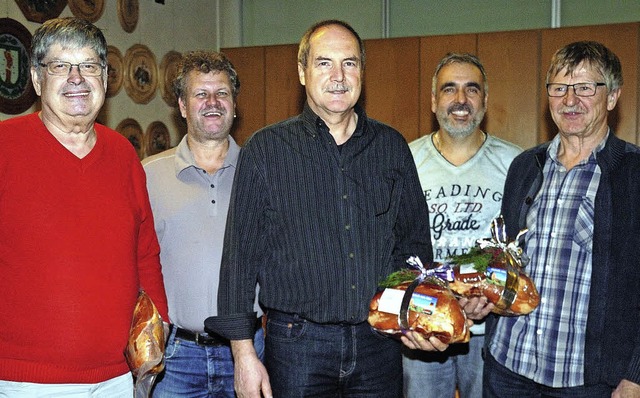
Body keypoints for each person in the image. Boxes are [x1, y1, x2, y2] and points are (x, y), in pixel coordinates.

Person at [205, 19, 444, 398]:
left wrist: (418, 311)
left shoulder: (391, 147)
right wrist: (243, 355)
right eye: (323, 63)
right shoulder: (266, 150)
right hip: (297, 348)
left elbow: (413, 245)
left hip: (379, 343)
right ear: (302, 72)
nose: (338, 76)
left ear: (362, 72)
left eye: (349, 63)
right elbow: (240, 258)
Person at [0, 17, 168, 397]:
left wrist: (158, 327)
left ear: (105, 79)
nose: (77, 78)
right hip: (26, 381)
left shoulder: (124, 154)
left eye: (89, 65)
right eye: (60, 66)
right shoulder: (5, 148)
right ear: (37, 79)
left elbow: (145, 252)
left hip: (117, 378)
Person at [483, 41, 640, 397]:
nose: (570, 100)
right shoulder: (525, 166)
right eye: (559, 88)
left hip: (586, 382)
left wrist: (636, 376)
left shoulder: (633, 174)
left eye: (585, 87)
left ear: (612, 97)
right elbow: (505, 256)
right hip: (508, 367)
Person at [142, 50, 264, 397]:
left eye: (222, 93)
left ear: (235, 104)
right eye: (201, 94)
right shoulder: (147, 175)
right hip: (174, 359)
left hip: (248, 352)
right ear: (182, 106)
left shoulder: (262, 173)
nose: (213, 102)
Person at [404, 53, 521, 398]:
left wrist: (487, 298)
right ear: (433, 100)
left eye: (471, 89)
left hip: (493, 333)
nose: (460, 100)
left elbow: (525, 248)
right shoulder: (405, 160)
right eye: (449, 89)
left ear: (485, 99)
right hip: (424, 329)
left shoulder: (517, 163)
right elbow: (392, 245)